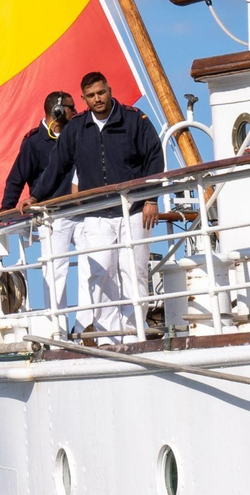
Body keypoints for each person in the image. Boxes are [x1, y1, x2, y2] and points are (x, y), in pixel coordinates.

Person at [29, 72, 163, 340]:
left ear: (109, 90)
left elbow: (154, 158)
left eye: (101, 92)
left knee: (133, 271)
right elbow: (58, 165)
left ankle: (134, 330)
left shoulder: (134, 120)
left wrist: (151, 199)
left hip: (133, 210)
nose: (97, 99)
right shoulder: (77, 128)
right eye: (91, 96)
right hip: (96, 214)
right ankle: (107, 334)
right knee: (99, 272)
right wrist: (36, 197)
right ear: (83, 99)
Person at [0, 91, 82, 325]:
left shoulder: (77, 134)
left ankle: (88, 323)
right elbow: (16, 178)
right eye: (70, 107)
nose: (75, 112)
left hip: (83, 211)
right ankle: (57, 327)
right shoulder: (34, 142)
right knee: (55, 271)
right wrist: (5, 213)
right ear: (57, 111)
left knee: (94, 264)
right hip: (52, 217)